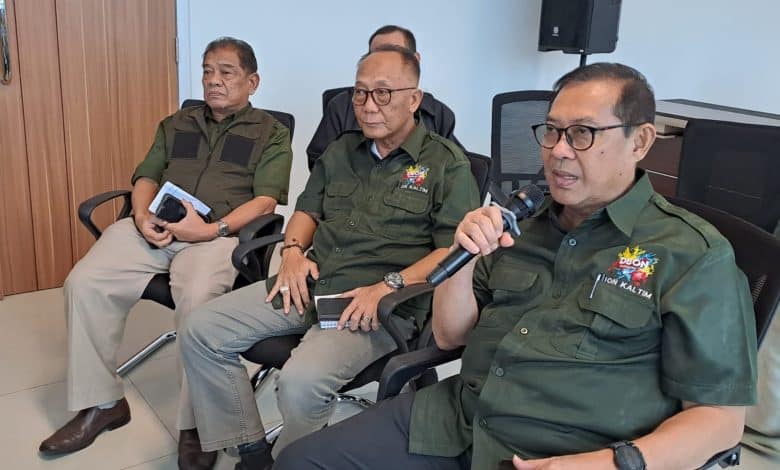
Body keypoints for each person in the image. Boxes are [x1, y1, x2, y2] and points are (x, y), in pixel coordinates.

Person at [273, 63, 758, 470]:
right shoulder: (519, 222)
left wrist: (615, 463)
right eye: (552, 131)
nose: (559, 150)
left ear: (640, 141)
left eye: (583, 133)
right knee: (300, 462)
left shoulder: (691, 253)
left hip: (572, 449)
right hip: (459, 421)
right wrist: (462, 257)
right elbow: (449, 336)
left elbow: (719, 419)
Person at [179, 45, 479, 470]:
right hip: (312, 281)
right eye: (360, 93)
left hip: (375, 305)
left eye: (383, 93)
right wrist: (292, 252)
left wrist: (387, 286)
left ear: (414, 99)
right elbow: (306, 211)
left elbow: (453, 251)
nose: (369, 105)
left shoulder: (446, 164)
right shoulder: (341, 151)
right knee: (200, 329)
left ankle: (290, 462)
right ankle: (252, 451)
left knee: (300, 384)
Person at [38, 37, 293, 469]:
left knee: (196, 302)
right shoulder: (177, 123)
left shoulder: (271, 133)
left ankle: (196, 425)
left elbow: (265, 202)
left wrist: (210, 229)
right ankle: (102, 404)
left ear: (252, 82)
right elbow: (146, 176)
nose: (213, 80)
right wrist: (141, 217)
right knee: (85, 282)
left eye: (226, 72)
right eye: (208, 71)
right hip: (155, 226)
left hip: (215, 236)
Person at [306, 24, 461, 170]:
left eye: (395, 54)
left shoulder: (438, 113)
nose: (370, 107)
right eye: (376, 54)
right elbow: (320, 161)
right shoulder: (342, 107)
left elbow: (457, 165)